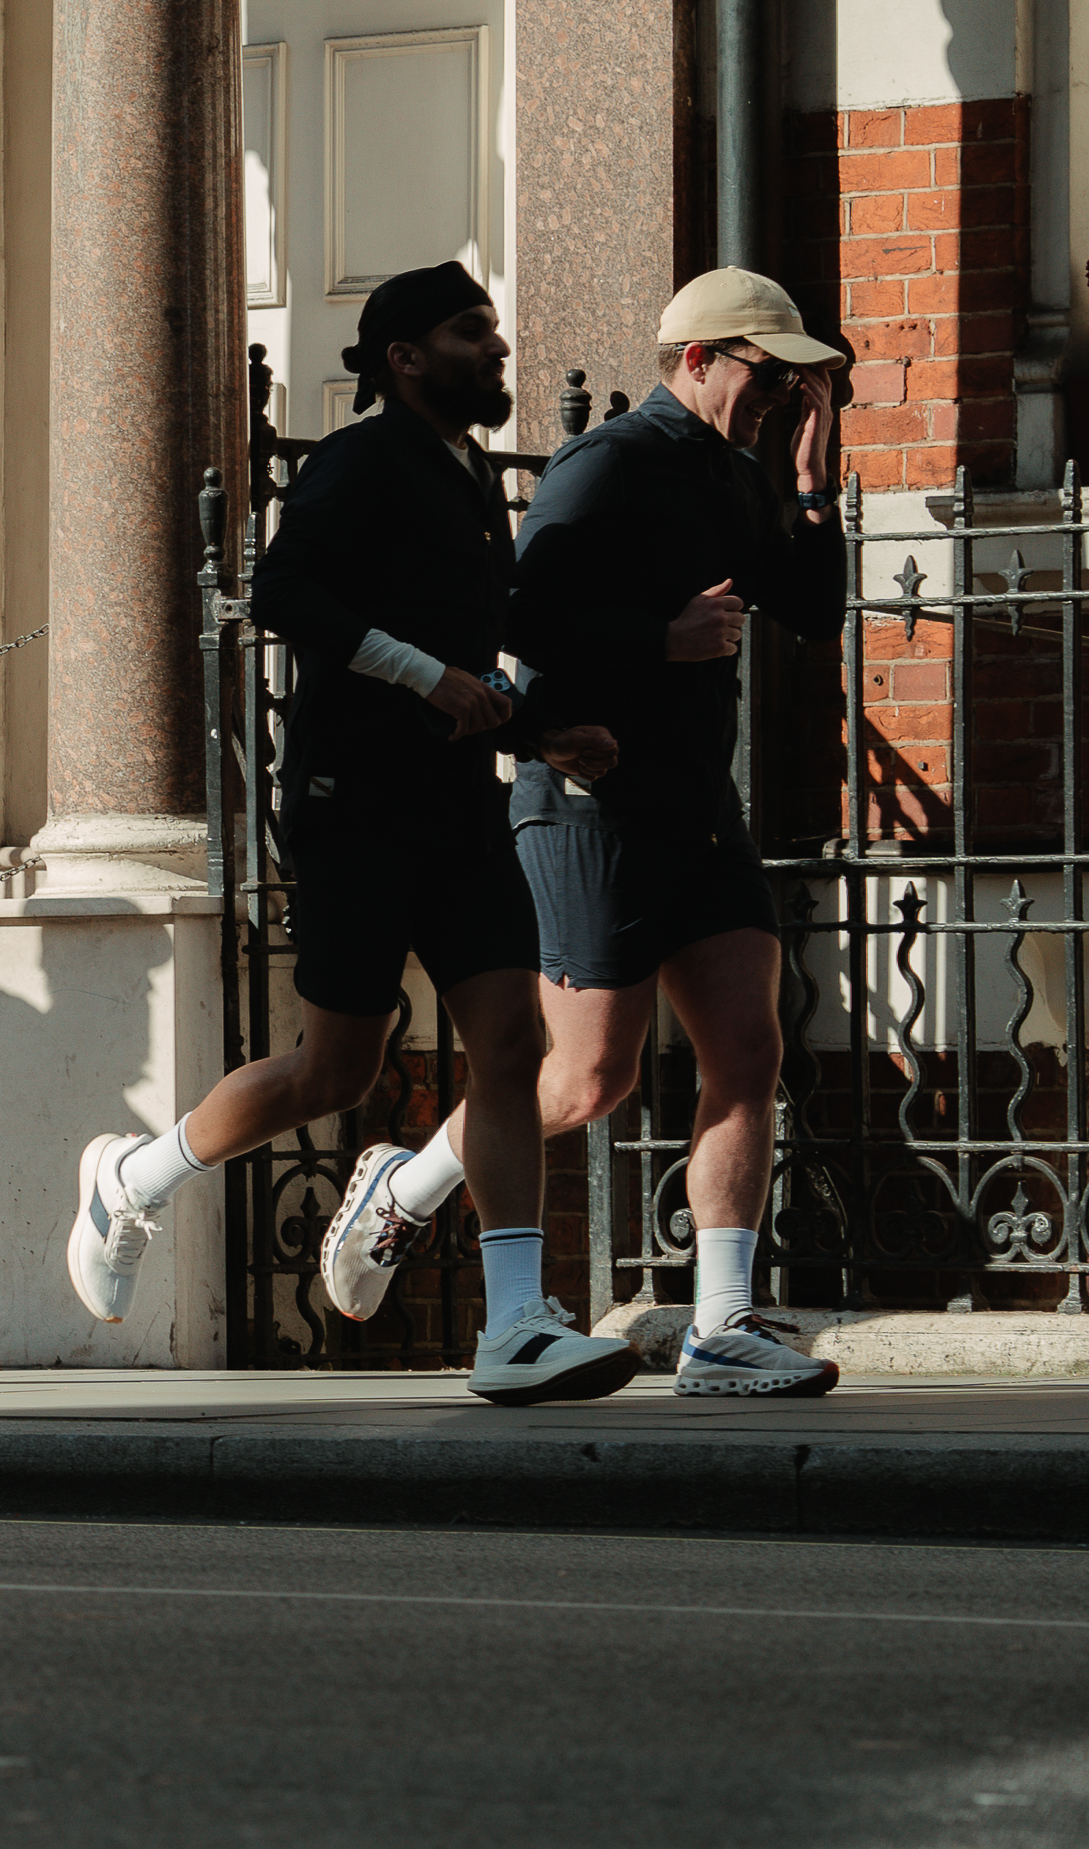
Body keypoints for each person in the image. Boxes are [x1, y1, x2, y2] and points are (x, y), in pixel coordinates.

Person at [61, 265, 635, 1403]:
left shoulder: (469, 474)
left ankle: (515, 1320)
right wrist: (423, 677)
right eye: (472, 332)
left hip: (461, 807)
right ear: (405, 358)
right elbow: (281, 593)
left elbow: (480, 645)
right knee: (337, 1069)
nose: (498, 345)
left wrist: (547, 732)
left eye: (493, 327)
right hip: (354, 806)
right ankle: (134, 1174)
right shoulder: (359, 461)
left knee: (513, 1046)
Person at [326, 267, 853, 1400]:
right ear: (702, 357)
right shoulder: (609, 460)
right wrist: (660, 641)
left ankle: (722, 1329)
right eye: (769, 372)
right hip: (591, 805)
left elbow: (813, 610)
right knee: (585, 1077)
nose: (780, 394)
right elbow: (519, 613)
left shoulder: (741, 472)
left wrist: (812, 478)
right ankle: (405, 1191)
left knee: (748, 1054)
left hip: (697, 805)